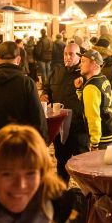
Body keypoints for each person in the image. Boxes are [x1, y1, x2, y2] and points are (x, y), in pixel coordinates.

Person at [42, 42, 85, 181]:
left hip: (79, 125)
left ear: (79, 56)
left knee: (82, 161)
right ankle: (62, 189)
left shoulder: (84, 73)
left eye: (71, 54)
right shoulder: (57, 70)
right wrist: (44, 94)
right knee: (61, 159)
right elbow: (47, 87)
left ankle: (85, 192)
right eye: (65, 54)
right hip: (59, 123)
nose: (67, 57)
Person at [75, 50, 112, 150]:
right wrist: (79, 90)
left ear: (94, 64)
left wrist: (94, 143)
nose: (80, 65)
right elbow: (93, 103)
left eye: (83, 61)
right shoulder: (103, 78)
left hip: (104, 138)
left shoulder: (91, 87)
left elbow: (93, 118)